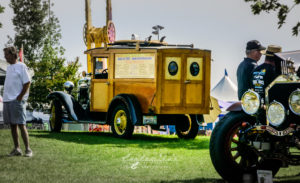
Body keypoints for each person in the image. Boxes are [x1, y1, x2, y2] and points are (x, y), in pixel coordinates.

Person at [3, 46, 32, 157]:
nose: (5, 57)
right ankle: (17, 149)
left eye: (7, 55)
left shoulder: (22, 66)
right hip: (7, 100)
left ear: (13, 54)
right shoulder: (9, 68)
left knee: (21, 124)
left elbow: (27, 82)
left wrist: (20, 97)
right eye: (5, 55)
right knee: (12, 125)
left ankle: (28, 150)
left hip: (17, 101)